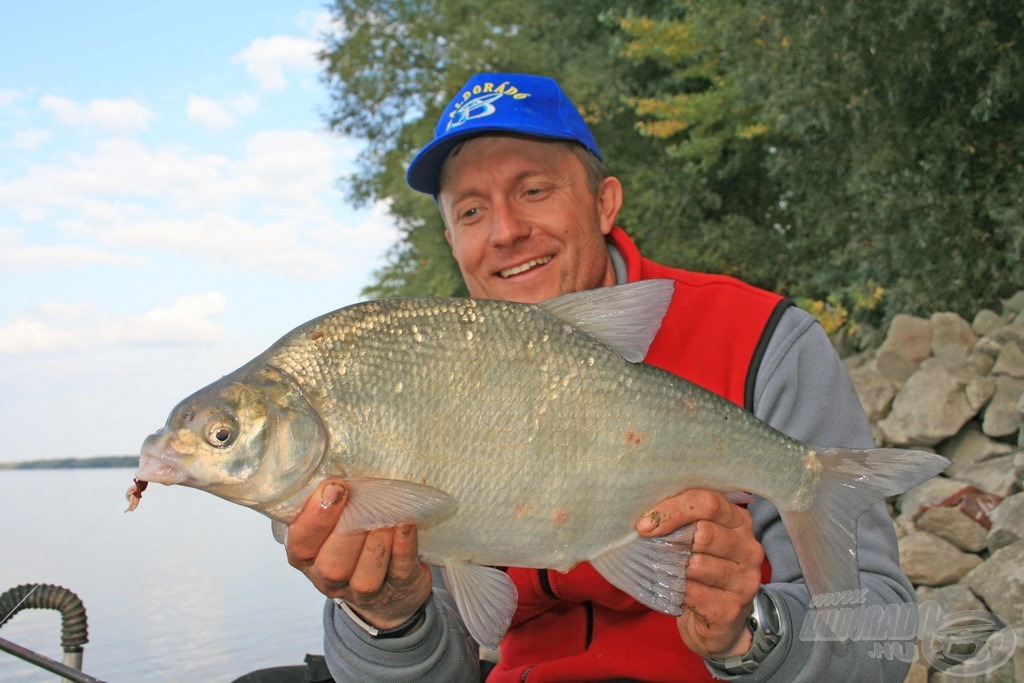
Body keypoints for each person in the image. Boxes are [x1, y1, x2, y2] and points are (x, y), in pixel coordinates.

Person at [283, 73, 916, 681]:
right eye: (472, 211)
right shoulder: (430, 376)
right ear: (453, 240)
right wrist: (387, 615)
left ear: (604, 202)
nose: (505, 231)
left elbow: (881, 641)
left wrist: (750, 630)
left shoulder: (763, 339)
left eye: (534, 191)